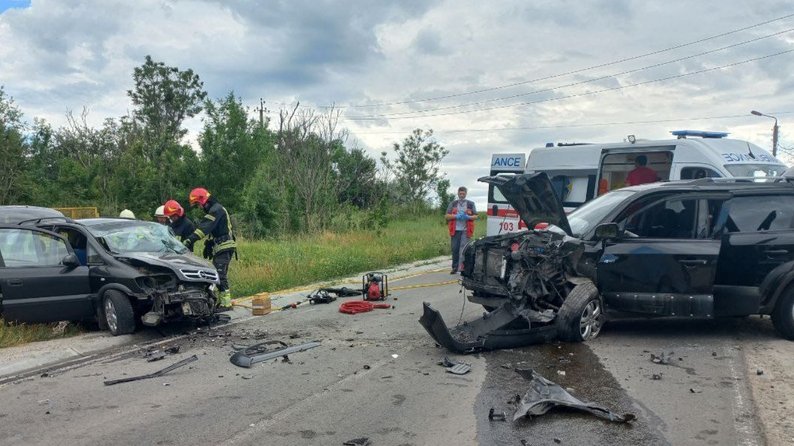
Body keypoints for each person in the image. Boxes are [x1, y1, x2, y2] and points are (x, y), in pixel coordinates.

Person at [183, 187, 237, 310]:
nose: (199, 207)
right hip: (221, 246)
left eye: (198, 204)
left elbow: (204, 228)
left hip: (224, 246)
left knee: (219, 274)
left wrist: (189, 240)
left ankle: (226, 304)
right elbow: (217, 230)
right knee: (218, 274)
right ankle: (223, 301)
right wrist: (210, 243)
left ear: (203, 200)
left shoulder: (215, 210)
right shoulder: (216, 209)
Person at [445, 186, 477, 274]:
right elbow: (447, 216)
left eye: (463, 193)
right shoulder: (453, 204)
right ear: (458, 193)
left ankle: (463, 268)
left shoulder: (471, 204)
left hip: (466, 230)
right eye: (460, 193)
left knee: (464, 249)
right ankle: (455, 268)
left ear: (466, 194)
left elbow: (475, 216)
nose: (462, 195)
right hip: (455, 230)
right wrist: (455, 216)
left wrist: (468, 217)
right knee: (455, 249)